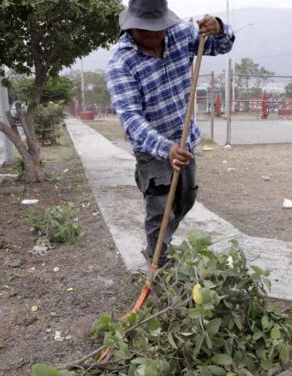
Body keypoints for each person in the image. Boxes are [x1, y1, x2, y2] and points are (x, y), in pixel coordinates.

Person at [106, 0, 235, 266]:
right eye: (145, 31)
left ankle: (161, 241)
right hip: (152, 150)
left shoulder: (181, 34)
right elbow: (131, 117)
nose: (154, 37)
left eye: (158, 29)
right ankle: (159, 261)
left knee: (185, 200)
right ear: (131, 27)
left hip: (185, 141)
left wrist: (219, 28)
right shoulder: (120, 63)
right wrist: (165, 148)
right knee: (160, 208)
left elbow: (221, 46)